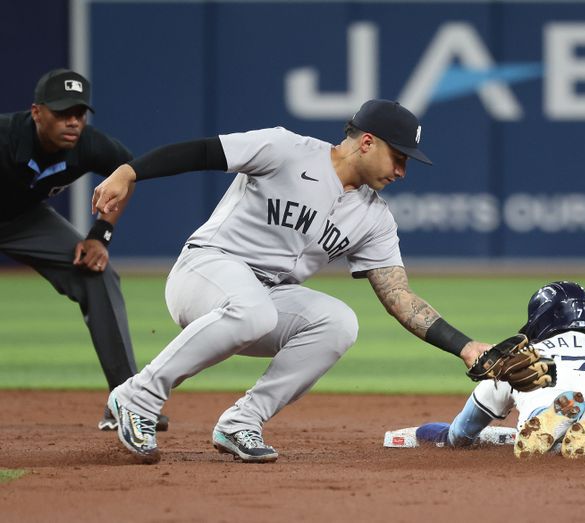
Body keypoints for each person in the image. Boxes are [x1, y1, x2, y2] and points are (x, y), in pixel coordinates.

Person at [92, 99, 500, 464]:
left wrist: (464, 347)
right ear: (367, 142)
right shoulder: (286, 149)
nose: (402, 170)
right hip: (206, 269)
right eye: (399, 156)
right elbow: (201, 152)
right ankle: (137, 397)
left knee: (339, 322)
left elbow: (398, 295)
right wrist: (129, 172)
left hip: (268, 299)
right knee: (253, 311)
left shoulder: (374, 218)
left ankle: (242, 422)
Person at [0, 69, 167, 432]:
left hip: (25, 221)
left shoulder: (90, 145)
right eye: (62, 112)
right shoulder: (5, 137)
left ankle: (127, 398)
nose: (72, 121)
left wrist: (100, 234)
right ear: (36, 112)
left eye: (79, 113)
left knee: (98, 272)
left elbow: (128, 173)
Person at [416, 281, 585, 458]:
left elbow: (461, 434)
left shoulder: (519, 360)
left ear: (538, 324)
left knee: (535, 418)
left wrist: (432, 433)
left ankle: (548, 416)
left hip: (542, 438)